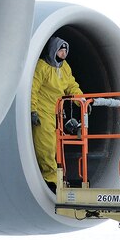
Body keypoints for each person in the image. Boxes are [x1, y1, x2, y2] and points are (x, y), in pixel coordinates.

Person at [30, 36, 82, 192]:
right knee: (45, 145)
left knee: (55, 145)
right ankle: (50, 178)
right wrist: (33, 110)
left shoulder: (64, 68)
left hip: (56, 111)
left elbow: (71, 85)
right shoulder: (42, 67)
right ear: (53, 50)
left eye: (66, 50)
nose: (64, 53)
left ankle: (59, 177)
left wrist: (81, 100)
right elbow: (33, 88)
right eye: (61, 50)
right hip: (43, 110)